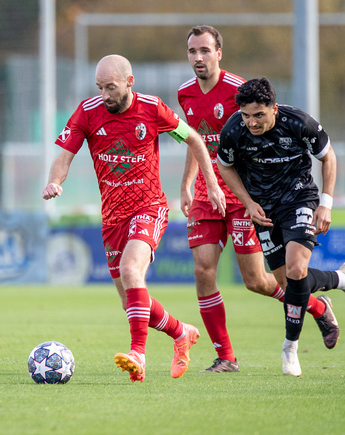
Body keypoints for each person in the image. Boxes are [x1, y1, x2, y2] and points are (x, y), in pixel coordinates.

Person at [178, 26, 345, 372]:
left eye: (205, 50)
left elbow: (303, 151)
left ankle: (317, 306)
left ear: (219, 52)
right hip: (210, 191)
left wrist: (320, 200)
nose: (198, 57)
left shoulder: (241, 94)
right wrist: (188, 184)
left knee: (260, 281)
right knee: (203, 270)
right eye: (192, 51)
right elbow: (198, 143)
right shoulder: (185, 94)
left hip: (248, 197)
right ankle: (225, 357)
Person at [42, 54, 226, 383]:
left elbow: (195, 139)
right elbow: (64, 156)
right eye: (99, 87)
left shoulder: (152, 108)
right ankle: (181, 332)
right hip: (112, 218)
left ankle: (137, 354)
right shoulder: (87, 111)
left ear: (130, 82)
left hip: (149, 208)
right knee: (131, 299)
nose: (104, 94)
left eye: (110, 87)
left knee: (130, 270)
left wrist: (208, 184)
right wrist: (55, 181)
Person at [217, 77, 345, 376]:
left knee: (297, 270)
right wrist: (248, 203)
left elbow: (328, 158)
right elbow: (225, 165)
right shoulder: (233, 130)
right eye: (247, 116)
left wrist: (325, 203)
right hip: (263, 210)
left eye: (259, 115)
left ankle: (290, 348)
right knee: (288, 284)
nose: (252, 123)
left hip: (300, 199)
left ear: (274, 108)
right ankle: (342, 279)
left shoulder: (298, 122)